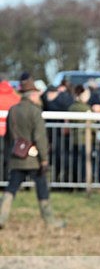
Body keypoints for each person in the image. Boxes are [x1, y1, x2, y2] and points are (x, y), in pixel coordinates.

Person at [0, 75, 64, 229]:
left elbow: (8, 136)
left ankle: (1, 217)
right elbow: (40, 138)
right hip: (34, 160)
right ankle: (50, 221)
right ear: (33, 95)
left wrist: (10, 155)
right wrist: (44, 159)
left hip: (17, 157)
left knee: (11, 189)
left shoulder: (13, 110)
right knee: (42, 189)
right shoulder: (35, 112)